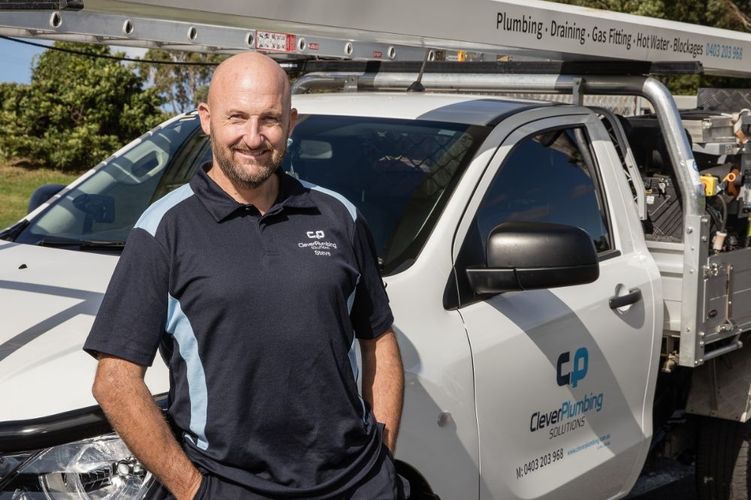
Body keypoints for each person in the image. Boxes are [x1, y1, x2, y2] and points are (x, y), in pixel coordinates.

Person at [84, 52, 405, 499]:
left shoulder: (339, 216)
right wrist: (193, 490)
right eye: (236, 117)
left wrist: (381, 459)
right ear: (206, 119)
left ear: (291, 122)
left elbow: (378, 339)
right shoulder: (164, 229)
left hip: (354, 482)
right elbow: (115, 380)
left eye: (269, 119)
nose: (253, 138)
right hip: (227, 485)